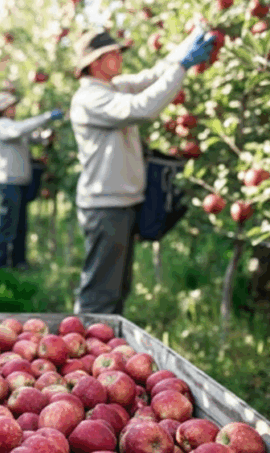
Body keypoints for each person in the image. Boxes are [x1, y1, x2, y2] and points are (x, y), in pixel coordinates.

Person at [69, 29, 216, 314]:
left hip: (121, 203)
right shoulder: (90, 98)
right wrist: (182, 67)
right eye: (114, 54)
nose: (120, 57)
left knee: (118, 287)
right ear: (95, 62)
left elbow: (155, 74)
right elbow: (142, 108)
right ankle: (83, 336)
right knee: (101, 291)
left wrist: (191, 39)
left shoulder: (113, 87)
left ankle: (105, 336)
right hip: (106, 205)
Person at [0, 91, 64, 270]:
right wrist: (46, 117)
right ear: (2, 109)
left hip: (21, 181)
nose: (14, 109)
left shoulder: (14, 127)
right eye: (11, 106)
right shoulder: (2, 126)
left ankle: (18, 261)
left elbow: (33, 137)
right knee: (9, 223)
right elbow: (20, 130)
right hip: (9, 182)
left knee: (21, 224)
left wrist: (46, 137)